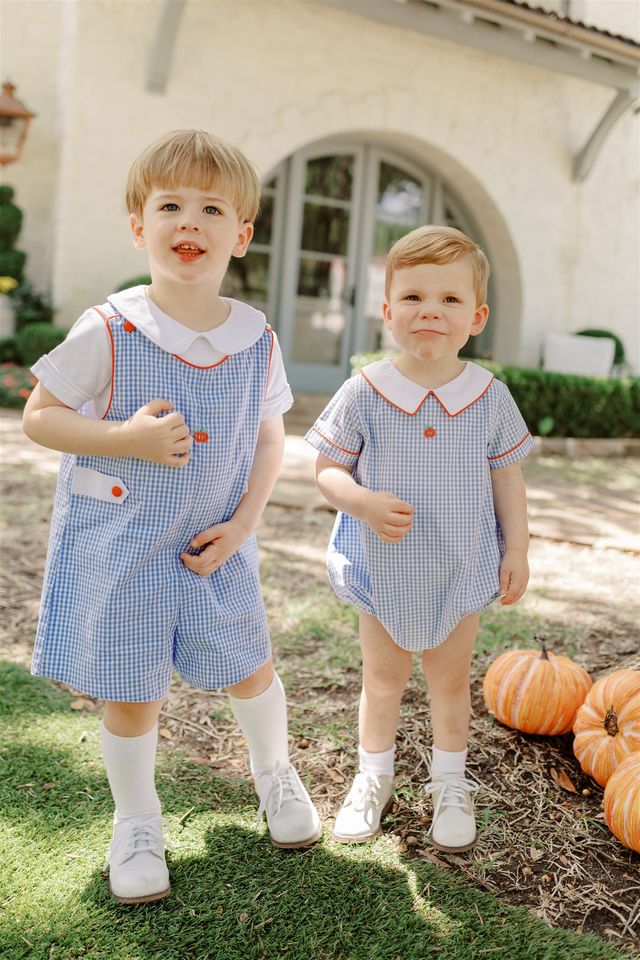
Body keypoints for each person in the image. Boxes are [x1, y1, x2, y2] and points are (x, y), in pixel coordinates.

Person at [23, 129, 321, 905]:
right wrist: (123, 437)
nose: (189, 221)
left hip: (213, 547)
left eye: (211, 207)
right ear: (139, 225)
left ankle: (274, 776)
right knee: (132, 693)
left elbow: (268, 433)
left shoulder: (256, 336)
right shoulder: (111, 327)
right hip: (124, 546)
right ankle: (138, 821)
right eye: (170, 205)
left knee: (251, 668)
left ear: (241, 234)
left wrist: (247, 522)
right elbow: (40, 416)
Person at [305, 225, 533, 853]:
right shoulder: (366, 391)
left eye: (450, 300)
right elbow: (327, 470)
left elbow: (507, 480)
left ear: (477, 316)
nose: (430, 310)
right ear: (386, 311)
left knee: (450, 680)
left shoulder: (488, 397)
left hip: (460, 566)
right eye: (412, 297)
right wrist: (362, 502)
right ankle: (373, 776)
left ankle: (450, 784)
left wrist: (516, 548)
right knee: (381, 679)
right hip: (386, 565)